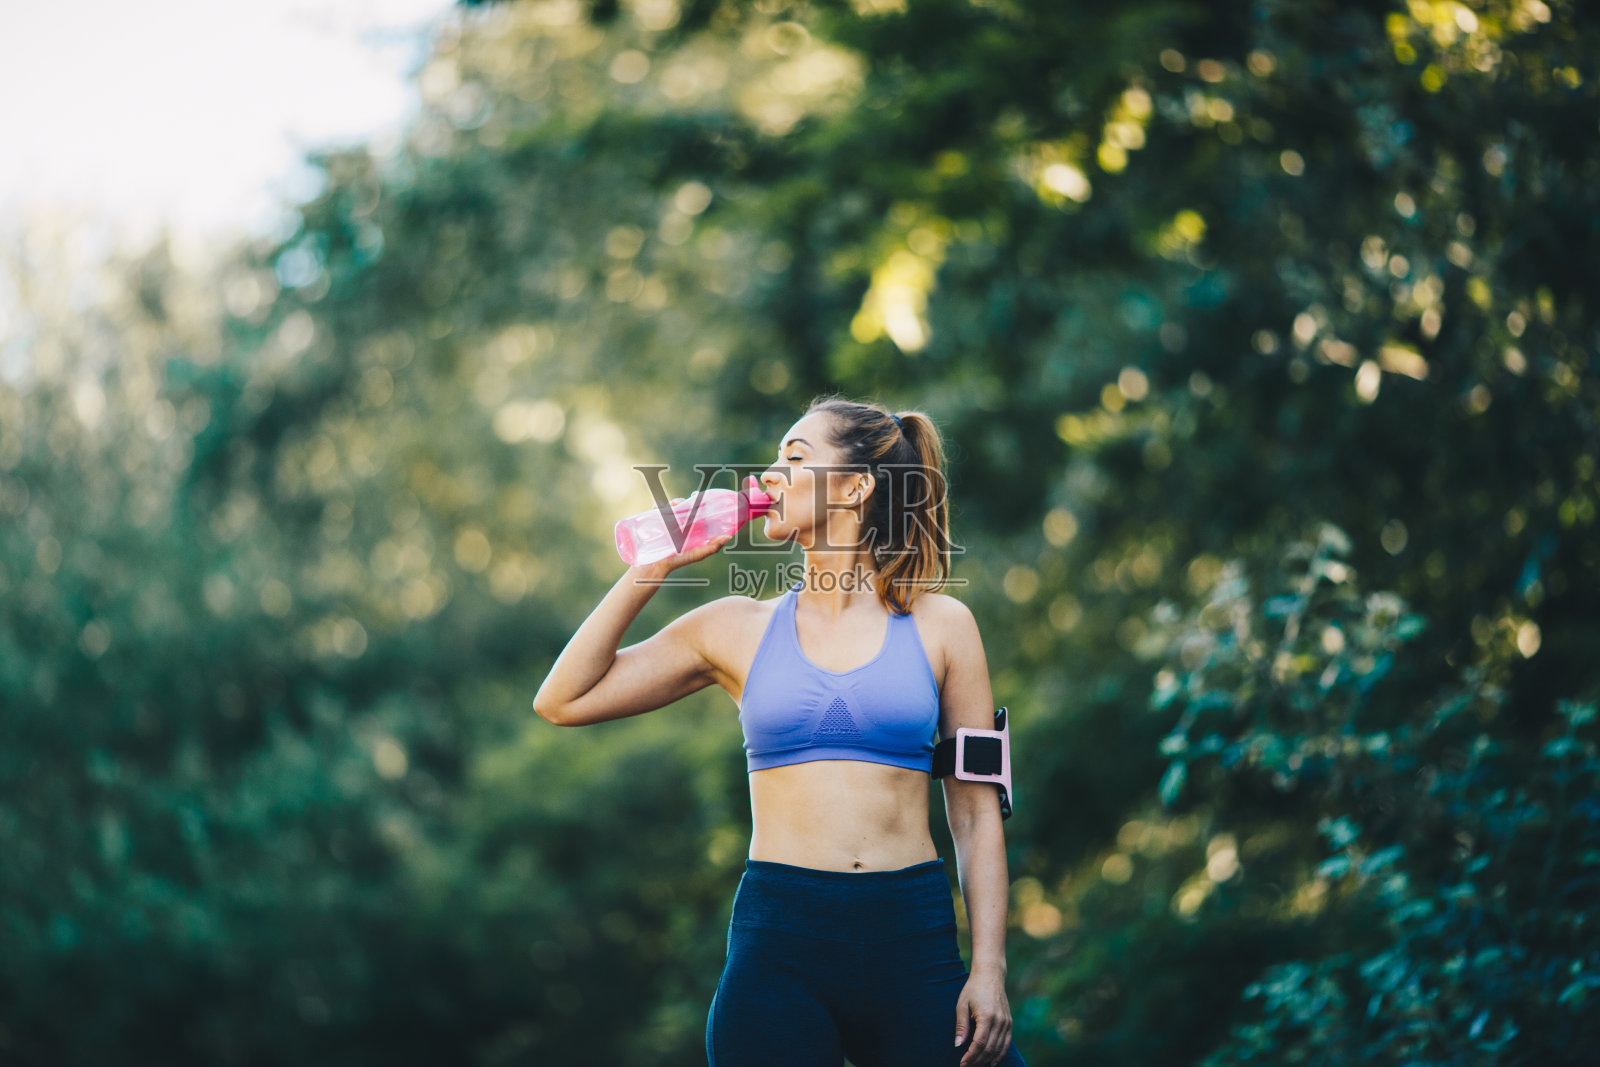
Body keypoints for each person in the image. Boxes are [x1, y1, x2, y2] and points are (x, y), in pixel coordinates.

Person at [533, 396, 1027, 1067]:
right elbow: (563, 699)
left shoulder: (944, 625)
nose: (769, 475)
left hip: (913, 939)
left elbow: (974, 811)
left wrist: (989, 968)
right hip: (780, 945)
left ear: (855, 487)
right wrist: (652, 567)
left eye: (794, 458)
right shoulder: (733, 627)